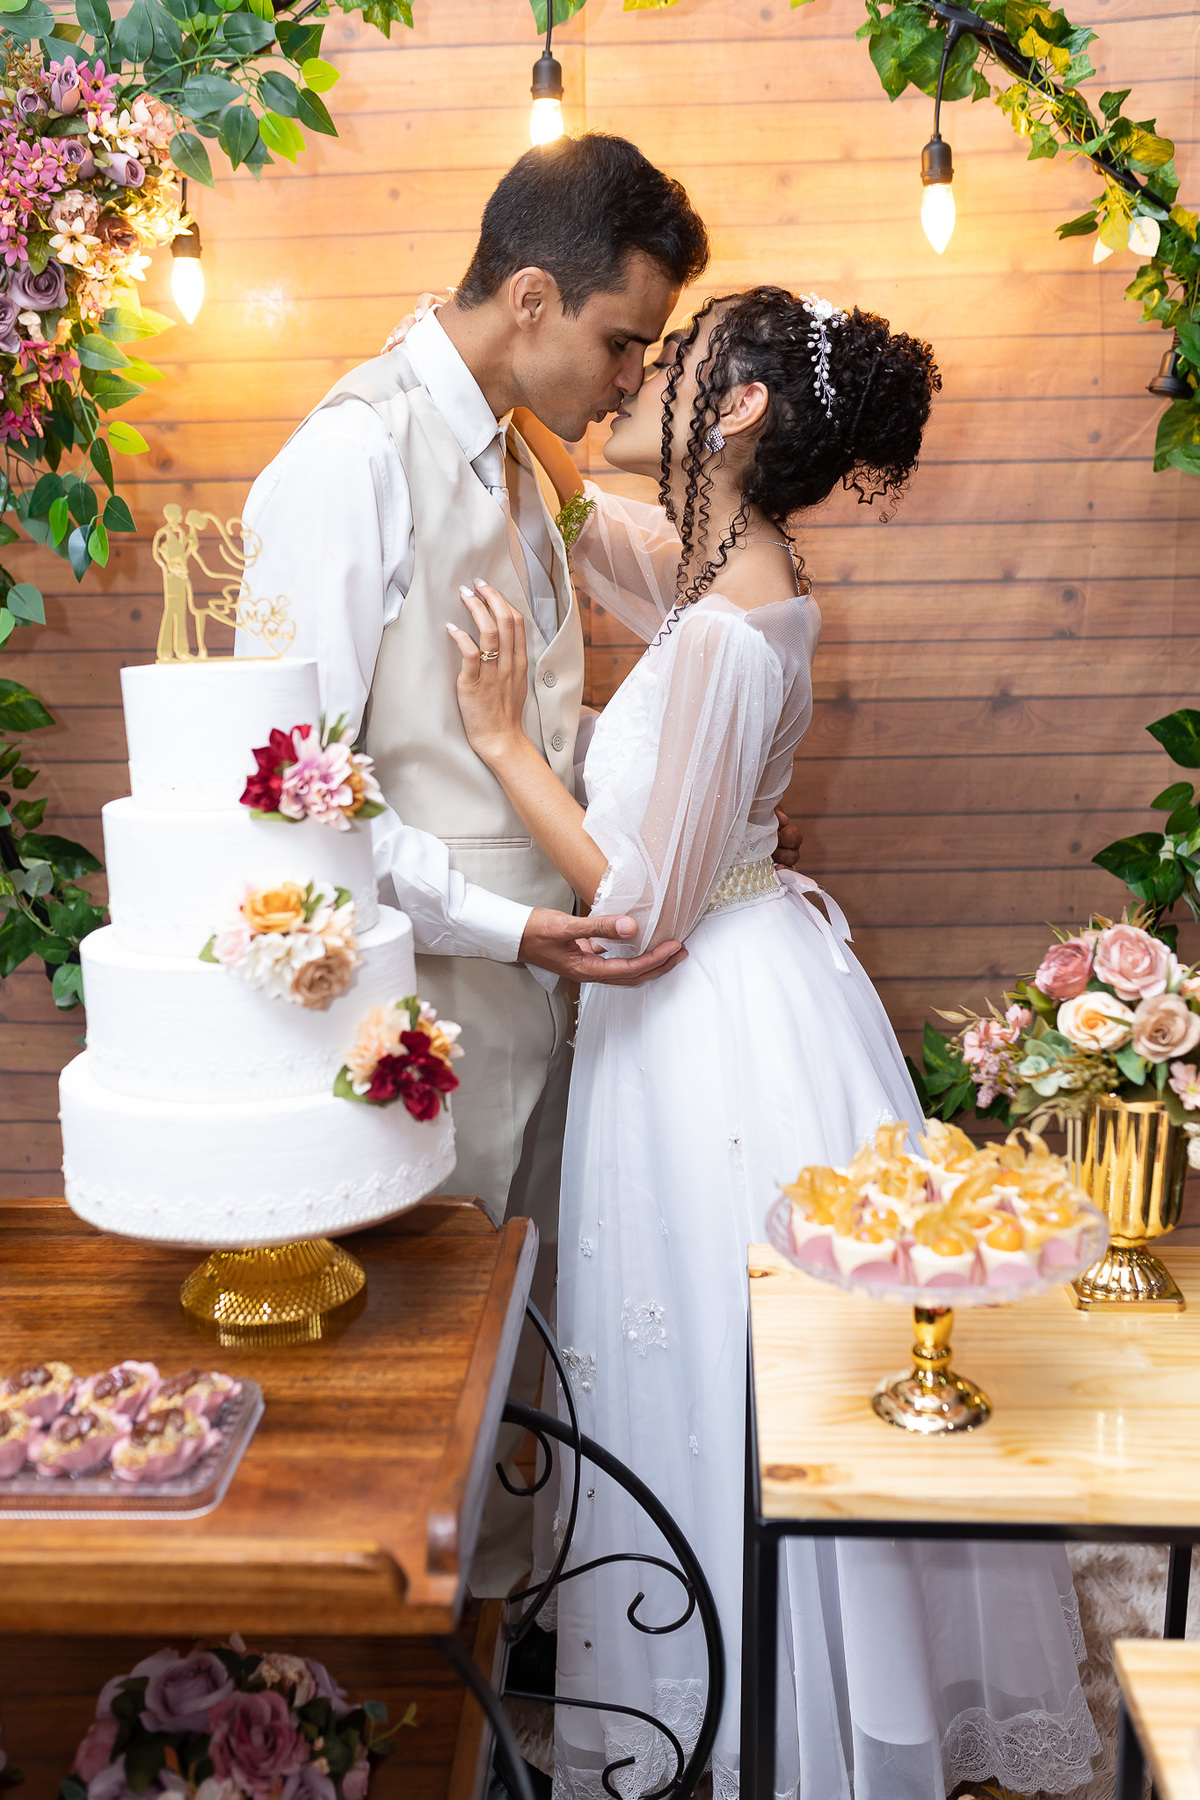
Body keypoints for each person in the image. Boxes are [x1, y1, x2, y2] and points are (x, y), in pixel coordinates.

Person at [442, 287, 1100, 1800]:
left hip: (706, 1020)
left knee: (723, 1356)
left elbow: (639, 910)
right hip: (743, 996)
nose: (641, 379)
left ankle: (759, 1707)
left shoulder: (732, 630)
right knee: (707, 1354)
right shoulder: (724, 571)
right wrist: (498, 366)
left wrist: (502, 743)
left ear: (737, 410)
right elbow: (584, 518)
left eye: (672, 362)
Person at [241, 135, 800, 1594]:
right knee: (416, 1400)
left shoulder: (517, 459)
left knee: (513, 1392)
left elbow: (538, 722)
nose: (631, 379)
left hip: (554, 1007)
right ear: (535, 296)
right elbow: (294, 795)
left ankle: (499, 1675)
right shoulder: (353, 459)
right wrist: (508, 927)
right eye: (623, 342)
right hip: (424, 1013)